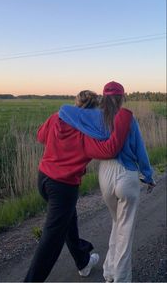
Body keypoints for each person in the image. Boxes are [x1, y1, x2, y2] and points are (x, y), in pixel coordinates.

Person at [24, 90, 133, 282]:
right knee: (52, 240)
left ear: (77, 103)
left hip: (43, 179)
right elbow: (108, 150)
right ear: (95, 108)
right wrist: (123, 121)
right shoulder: (86, 131)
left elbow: (41, 136)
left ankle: (83, 262)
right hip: (63, 187)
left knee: (68, 222)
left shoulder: (56, 117)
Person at [59, 81, 155, 283]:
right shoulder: (127, 118)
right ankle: (121, 278)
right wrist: (147, 175)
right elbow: (140, 150)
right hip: (127, 175)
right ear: (122, 98)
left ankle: (109, 271)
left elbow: (66, 111)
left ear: (103, 97)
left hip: (105, 175)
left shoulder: (95, 118)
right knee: (125, 229)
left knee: (116, 222)